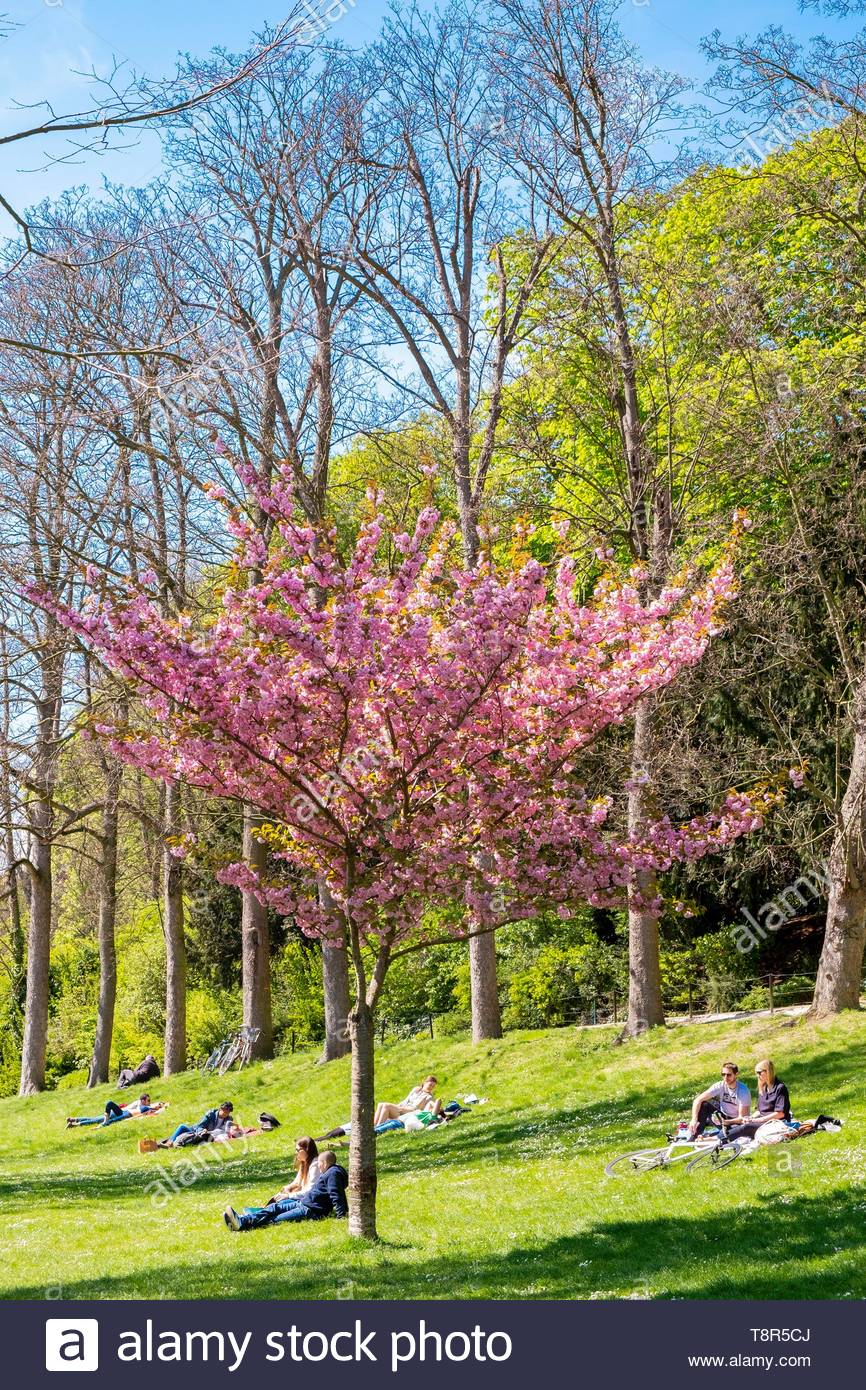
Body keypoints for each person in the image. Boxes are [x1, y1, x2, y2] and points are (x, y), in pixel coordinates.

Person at [223, 1150, 348, 1231]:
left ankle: (243, 1225)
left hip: (311, 1210)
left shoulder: (333, 1173)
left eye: (319, 1163)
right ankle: (242, 1219)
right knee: (274, 1208)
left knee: (277, 1219)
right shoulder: (332, 1172)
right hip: (304, 1203)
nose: (318, 1166)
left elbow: (336, 1194)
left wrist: (341, 1215)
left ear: (324, 1163)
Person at [723, 1060, 791, 1144]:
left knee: (746, 1127)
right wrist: (750, 1118)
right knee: (742, 1124)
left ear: (768, 1071)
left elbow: (780, 1114)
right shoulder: (763, 1087)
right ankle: (721, 1136)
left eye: (759, 1072)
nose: (757, 1076)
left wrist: (759, 1120)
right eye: (756, 1073)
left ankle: (722, 1139)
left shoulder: (780, 1088)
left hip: (775, 1122)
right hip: (763, 1120)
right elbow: (760, 1110)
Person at [686, 1062, 751, 1139]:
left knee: (732, 1131)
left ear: (736, 1074)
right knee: (704, 1104)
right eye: (723, 1074)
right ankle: (694, 1136)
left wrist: (726, 1122)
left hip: (735, 1123)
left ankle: (709, 1135)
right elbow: (698, 1100)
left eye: (729, 1075)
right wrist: (694, 1119)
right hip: (722, 1117)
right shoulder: (720, 1085)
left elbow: (742, 1118)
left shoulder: (743, 1091)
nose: (725, 1078)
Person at [374, 1075, 442, 1128]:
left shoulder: (429, 1097)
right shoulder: (416, 1089)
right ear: (424, 1083)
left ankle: (377, 1128)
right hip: (401, 1109)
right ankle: (374, 1126)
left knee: (386, 1106)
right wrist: (397, 1106)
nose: (431, 1087)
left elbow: (421, 1111)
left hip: (407, 1114)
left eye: (433, 1086)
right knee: (381, 1104)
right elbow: (406, 1100)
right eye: (430, 1085)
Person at [265, 1138, 320, 1202]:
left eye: (297, 1150)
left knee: (279, 1204)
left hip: (309, 1200)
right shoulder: (304, 1162)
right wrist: (287, 1188)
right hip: (302, 1196)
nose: (295, 1153)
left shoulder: (315, 1165)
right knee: (276, 1199)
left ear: (307, 1150)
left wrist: (289, 1195)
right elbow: (297, 1182)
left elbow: (311, 1190)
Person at [158, 1100, 234, 1147]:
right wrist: (202, 1131)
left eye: (228, 1112)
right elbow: (199, 1126)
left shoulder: (229, 1119)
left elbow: (227, 1131)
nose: (225, 1114)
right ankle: (169, 1143)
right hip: (195, 1131)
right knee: (182, 1127)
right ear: (220, 1109)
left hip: (208, 1135)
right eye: (224, 1111)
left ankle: (167, 1142)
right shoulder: (211, 1114)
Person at [65, 1093, 165, 1128]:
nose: (149, 1102)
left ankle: (74, 1119)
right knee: (95, 1120)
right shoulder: (140, 1104)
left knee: (94, 1119)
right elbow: (147, 1109)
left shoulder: (141, 1104)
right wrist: (157, 1107)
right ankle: (74, 1124)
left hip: (117, 1112)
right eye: (148, 1100)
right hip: (118, 1113)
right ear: (143, 1100)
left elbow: (149, 1108)